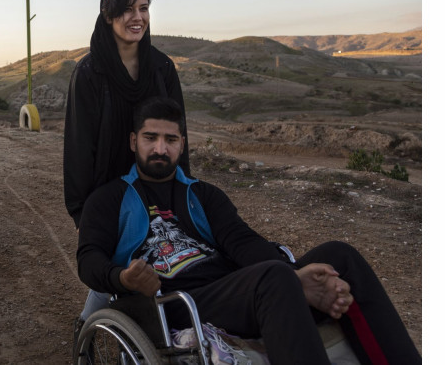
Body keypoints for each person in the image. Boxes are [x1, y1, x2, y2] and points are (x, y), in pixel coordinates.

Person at [76, 96, 420, 365]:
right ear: (134, 140)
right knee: (274, 278)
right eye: (150, 138)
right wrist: (124, 279)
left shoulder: (202, 194)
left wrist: (295, 274)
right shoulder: (109, 199)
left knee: (340, 257)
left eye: (171, 139)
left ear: (183, 143)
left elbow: (240, 240)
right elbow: (89, 259)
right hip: (174, 304)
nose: (160, 149)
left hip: (235, 291)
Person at [64, 0, 190, 330]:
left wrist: (185, 188)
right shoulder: (90, 73)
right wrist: (82, 212)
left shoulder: (163, 68)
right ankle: (90, 326)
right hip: (110, 189)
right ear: (108, 16)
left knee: (166, 255)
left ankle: (166, 328)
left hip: (157, 180)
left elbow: (179, 133)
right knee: (119, 259)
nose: (137, 17)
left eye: (144, 8)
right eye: (127, 9)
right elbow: (78, 147)